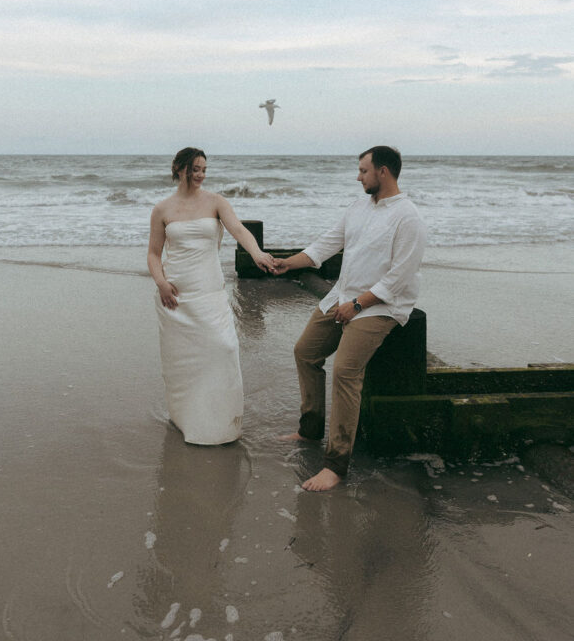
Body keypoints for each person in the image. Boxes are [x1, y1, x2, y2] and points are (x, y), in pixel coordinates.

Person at [274, 146, 426, 491]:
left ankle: (336, 464)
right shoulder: (358, 207)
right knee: (305, 352)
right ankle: (310, 430)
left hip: (381, 306)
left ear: (383, 172)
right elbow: (324, 245)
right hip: (342, 296)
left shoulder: (408, 217)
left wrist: (358, 306)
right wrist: (287, 262)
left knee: (345, 371)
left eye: (363, 171)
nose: (358, 177)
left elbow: (399, 277)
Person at [148, 147, 276, 445]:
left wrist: (257, 253)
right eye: (195, 169)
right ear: (179, 168)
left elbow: (240, 231)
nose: (200, 175)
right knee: (185, 362)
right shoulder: (162, 209)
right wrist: (161, 283)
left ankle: (221, 424)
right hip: (176, 295)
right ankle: (187, 419)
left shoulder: (217, 202)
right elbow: (154, 254)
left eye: (204, 169)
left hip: (209, 292)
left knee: (224, 348)